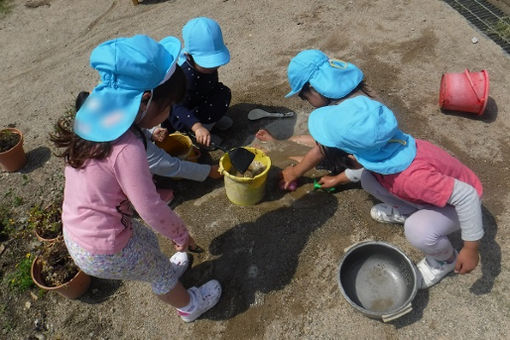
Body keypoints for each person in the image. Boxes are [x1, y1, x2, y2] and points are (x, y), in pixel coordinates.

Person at [50, 35, 221, 322]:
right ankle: (190, 306)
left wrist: (150, 132)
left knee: (143, 241)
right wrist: (180, 234)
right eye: (168, 107)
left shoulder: (93, 113)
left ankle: (157, 265)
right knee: (159, 274)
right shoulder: (126, 149)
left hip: (82, 230)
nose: (169, 114)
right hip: (104, 247)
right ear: (145, 100)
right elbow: (150, 208)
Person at [307, 96, 484, 288]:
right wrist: (337, 179)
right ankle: (407, 212)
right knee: (367, 178)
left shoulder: (413, 179)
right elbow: (362, 165)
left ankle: (445, 261)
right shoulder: (384, 142)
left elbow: (468, 197)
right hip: (429, 191)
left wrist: (470, 248)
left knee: (418, 230)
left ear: (351, 157)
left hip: (456, 205)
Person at [255, 49, 368, 190]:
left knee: (324, 156)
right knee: (316, 139)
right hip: (354, 141)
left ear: (314, 88)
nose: (306, 101)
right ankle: (281, 143)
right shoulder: (355, 92)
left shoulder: (341, 116)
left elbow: (321, 151)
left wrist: (295, 173)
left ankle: (330, 175)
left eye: (304, 97)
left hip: (367, 161)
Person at [75, 91, 223, 188]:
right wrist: (208, 171)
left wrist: (152, 133)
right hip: (114, 195)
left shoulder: (109, 131)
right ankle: (144, 195)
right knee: (142, 184)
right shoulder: (132, 146)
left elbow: (134, 129)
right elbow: (171, 166)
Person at [161, 17, 232, 148]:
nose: (213, 68)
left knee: (223, 92)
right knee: (194, 120)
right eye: (207, 64)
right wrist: (197, 126)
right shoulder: (184, 76)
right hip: (182, 114)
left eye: (215, 64)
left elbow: (212, 86)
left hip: (200, 100)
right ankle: (197, 135)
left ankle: (211, 122)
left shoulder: (206, 70)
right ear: (189, 56)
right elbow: (178, 107)